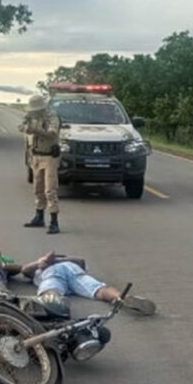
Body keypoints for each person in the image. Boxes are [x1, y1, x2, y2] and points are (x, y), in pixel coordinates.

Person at [19, 251, 156, 318]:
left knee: (50, 289)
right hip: (64, 273)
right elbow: (25, 269)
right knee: (99, 290)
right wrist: (41, 262)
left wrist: (53, 261)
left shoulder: (55, 265)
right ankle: (122, 297)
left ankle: (56, 303)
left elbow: (81, 261)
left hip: (60, 271)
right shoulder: (37, 269)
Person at [19, 94, 61, 234]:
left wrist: (36, 130)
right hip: (36, 155)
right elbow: (22, 125)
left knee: (50, 189)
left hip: (49, 156)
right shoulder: (31, 116)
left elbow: (52, 133)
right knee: (38, 188)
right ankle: (39, 216)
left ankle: (54, 221)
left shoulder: (51, 117)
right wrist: (26, 127)